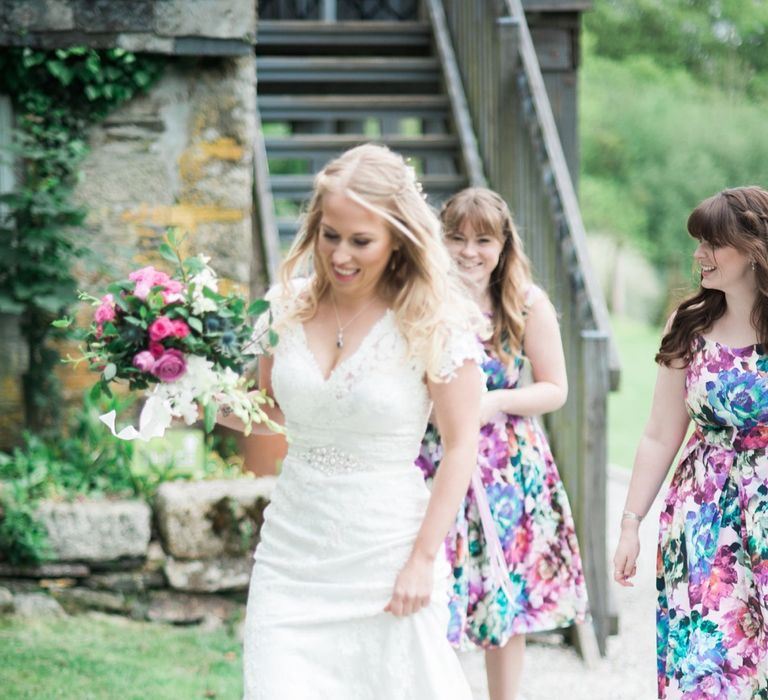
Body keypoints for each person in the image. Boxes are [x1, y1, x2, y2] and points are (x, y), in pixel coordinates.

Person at [216, 144, 488, 699]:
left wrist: (421, 561)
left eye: (360, 240)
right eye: (329, 234)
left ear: (397, 241)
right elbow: (270, 410)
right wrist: (196, 395)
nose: (340, 254)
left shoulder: (433, 322)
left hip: (387, 555)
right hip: (291, 554)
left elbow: (461, 447)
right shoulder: (285, 306)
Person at [417, 187, 588, 700]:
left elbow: (554, 388)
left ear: (503, 244)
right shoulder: (424, 299)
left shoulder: (526, 303)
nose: (469, 251)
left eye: (483, 240)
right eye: (457, 238)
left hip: (505, 465)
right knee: (433, 591)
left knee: (502, 592)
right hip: (434, 458)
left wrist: (494, 403)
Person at [613, 186, 768, 699]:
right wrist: (631, 523)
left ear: (754, 248)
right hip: (700, 518)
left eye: (712, 243)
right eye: (697, 242)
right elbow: (660, 434)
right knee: (705, 667)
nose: (698, 254)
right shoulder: (689, 324)